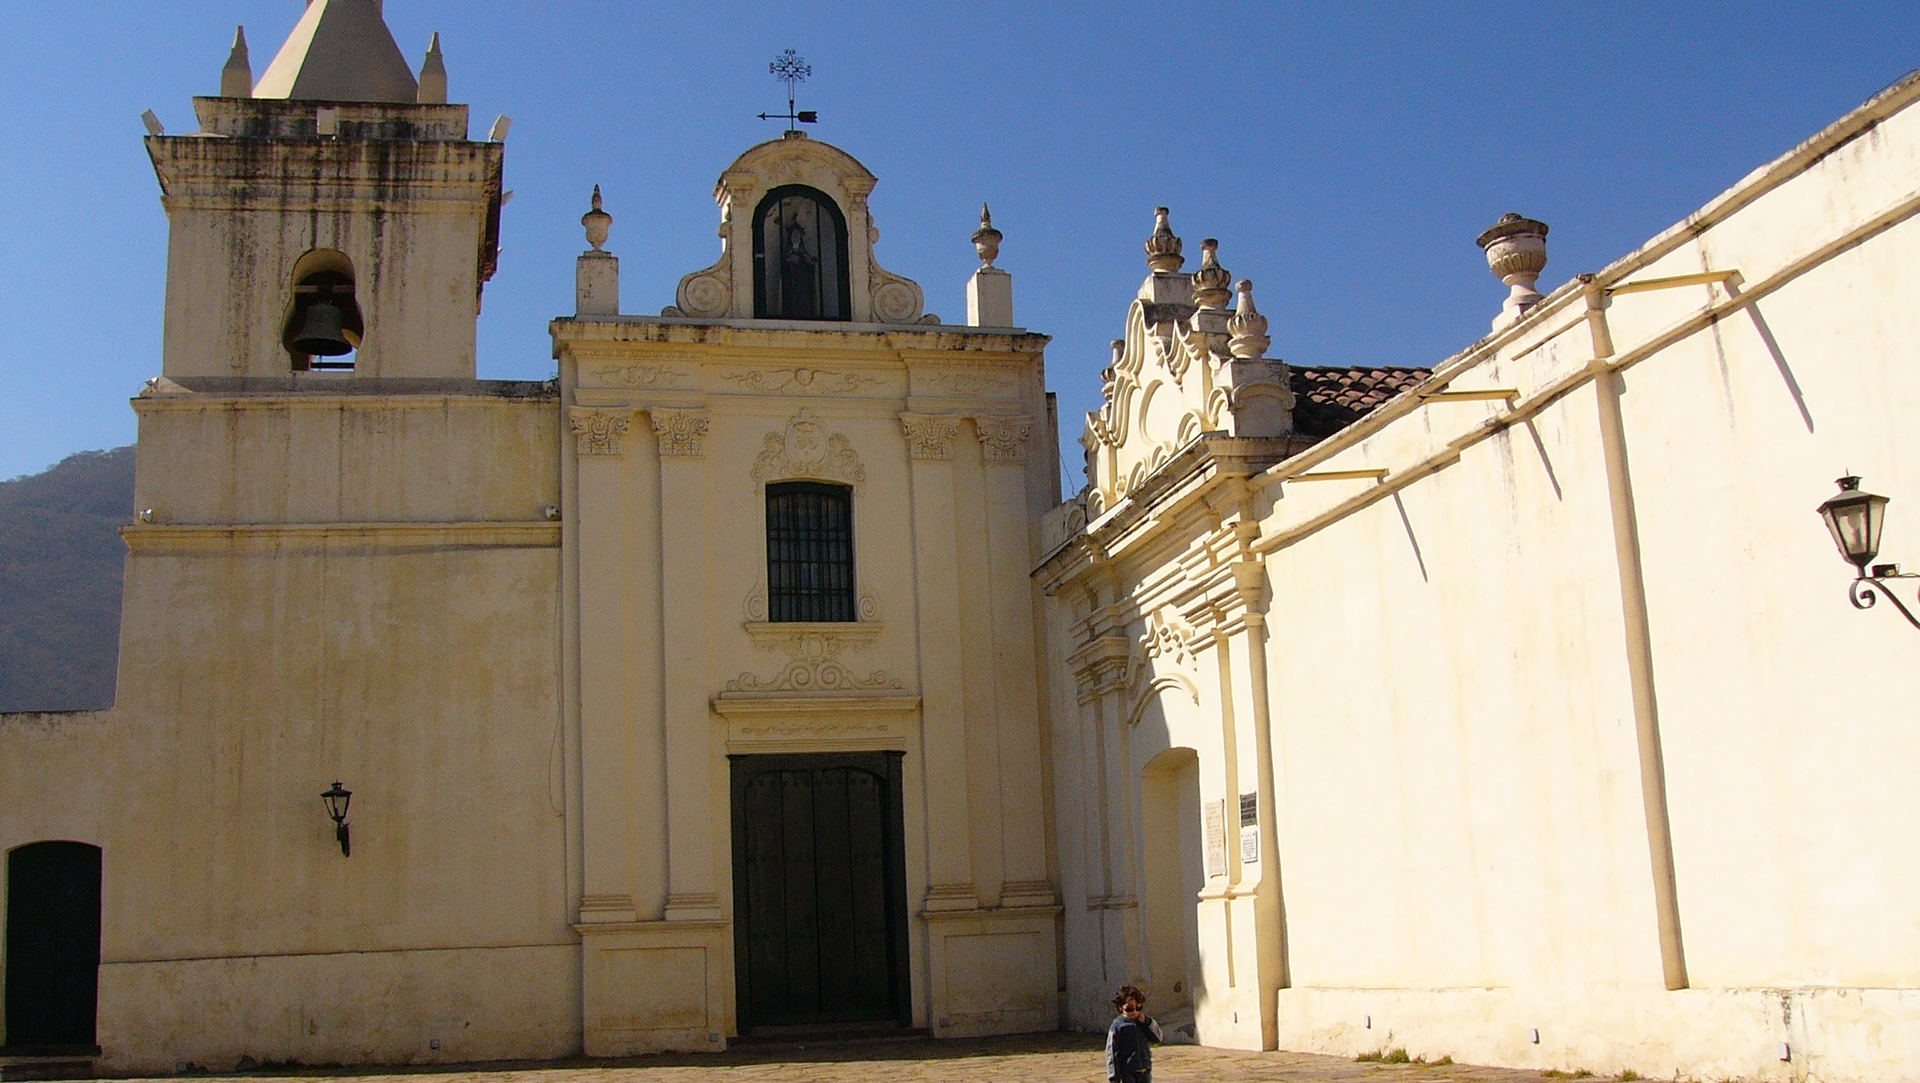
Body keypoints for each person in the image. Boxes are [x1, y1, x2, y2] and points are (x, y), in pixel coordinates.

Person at [1106, 984, 1162, 1083]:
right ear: (1120, 1008)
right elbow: (1112, 1051)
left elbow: (1158, 1037)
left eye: (1138, 1008)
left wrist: (1147, 1022)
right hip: (1128, 1071)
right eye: (1129, 1009)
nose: (1134, 1012)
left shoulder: (1142, 1022)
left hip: (1145, 1069)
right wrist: (1114, 1077)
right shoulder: (1118, 1026)